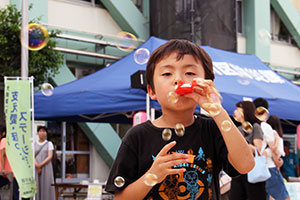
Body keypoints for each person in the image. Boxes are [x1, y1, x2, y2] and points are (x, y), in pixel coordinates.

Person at [105, 39, 254, 200]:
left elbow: (246, 165)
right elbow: (120, 198)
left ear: (207, 83)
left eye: (190, 73)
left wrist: (218, 111)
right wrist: (152, 176)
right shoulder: (137, 136)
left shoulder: (212, 129)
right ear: (151, 91)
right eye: (167, 74)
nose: (178, 80)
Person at [229, 101, 266, 200]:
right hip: (238, 169)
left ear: (245, 110)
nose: (235, 111)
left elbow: (258, 149)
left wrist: (243, 144)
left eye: (238, 109)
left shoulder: (255, 127)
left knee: (254, 196)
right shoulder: (238, 129)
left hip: (252, 169)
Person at [263, 115, 290, 200]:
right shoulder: (274, 133)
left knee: (268, 196)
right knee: (284, 196)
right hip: (272, 168)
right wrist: (278, 160)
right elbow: (277, 151)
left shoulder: (264, 134)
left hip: (263, 168)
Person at [34, 126, 55, 200]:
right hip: (35, 168)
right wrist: (37, 166)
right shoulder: (33, 144)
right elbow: (32, 156)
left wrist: (40, 165)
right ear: (37, 133)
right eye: (40, 131)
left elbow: (50, 156)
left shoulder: (49, 144)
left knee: (46, 184)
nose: (42, 133)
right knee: (36, 185)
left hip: (46, 167)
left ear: (46, 133)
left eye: (44, 131)